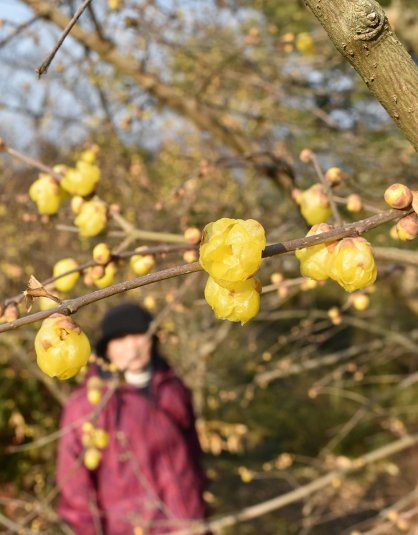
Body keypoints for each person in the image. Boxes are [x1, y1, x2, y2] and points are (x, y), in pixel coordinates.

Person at [57, 302, 208, 535]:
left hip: (188, 524)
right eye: (120, 339)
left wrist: (199, 511)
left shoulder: (173, 387)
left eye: (138, 335)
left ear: (152, 339)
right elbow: (75, 490)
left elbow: (193, 455)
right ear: (106, 349)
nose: (131, 346)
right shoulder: (89, 406)